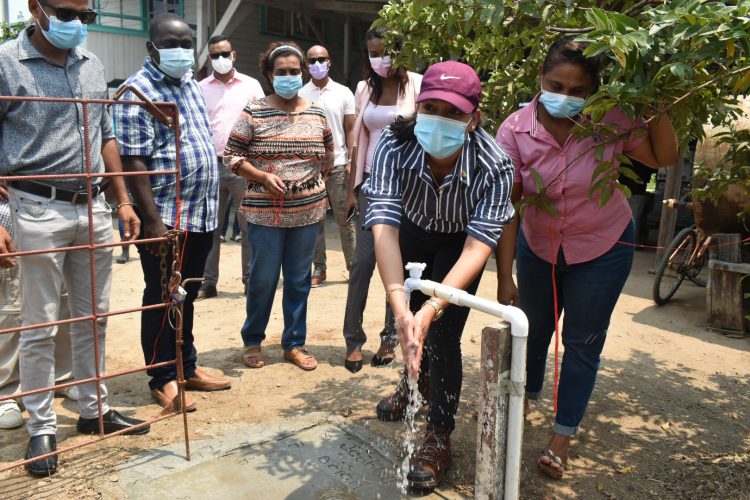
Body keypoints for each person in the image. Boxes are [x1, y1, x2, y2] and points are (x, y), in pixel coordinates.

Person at [495, 36, 679, 480]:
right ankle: (523, 404)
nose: (566, 96)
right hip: (538, 248)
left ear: (595, 89)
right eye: (557, 84)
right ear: (540, 78)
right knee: (533, 332)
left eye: (579, 90)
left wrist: (654, 104)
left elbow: (665, 155)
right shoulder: (515, 129)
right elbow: (506, 208)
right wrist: (504, 276)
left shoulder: (612, 118)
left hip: (603, 246)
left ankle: (561, 436)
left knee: (582, 343)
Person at [0, 0, 148, 477]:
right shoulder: (6, 64)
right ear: (35, 7)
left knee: (93, 318)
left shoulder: (92, 64)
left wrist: (122, 199)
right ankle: (41, 425)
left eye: (85, 15)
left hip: (93, 206)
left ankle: (94, 408)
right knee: (39, 324)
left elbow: (105, 134)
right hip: (36, 206)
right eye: (65, 10)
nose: (75, 23)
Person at [365, 61, 515, 491]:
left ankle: (439, 433)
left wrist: (434, 304)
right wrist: (400, 303)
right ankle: (412, 384)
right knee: (407, 324)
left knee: (443, 333)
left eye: (453, 113)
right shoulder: (394, 146)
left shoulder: (494, 163)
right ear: (418, 106)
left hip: (458, 243)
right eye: (432, 107)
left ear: (474, 119)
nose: (441, 120)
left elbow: (476, 248)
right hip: (408, 233)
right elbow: (386, 231)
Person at [114, 13, 231, 413]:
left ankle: (187, 366)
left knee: (189, 293)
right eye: (171, 44)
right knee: (162, 295)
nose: (181, 51)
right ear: (152, 48)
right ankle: (162, 377)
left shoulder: (189, 85)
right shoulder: (139, 91)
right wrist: (150, 219)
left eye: (186, 44)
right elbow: (134, 162)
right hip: (166, 214)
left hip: (201, 212)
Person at [224, 41, 333, 371]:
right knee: (263, 277)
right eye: (281, 72)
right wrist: (261, 176)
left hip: (307, 212)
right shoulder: (254, 111)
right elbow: (232, 156)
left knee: (299, 279)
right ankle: (253, 339)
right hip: (264, 212)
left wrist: (311, 184)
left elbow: (327, 154)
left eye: (294, 71)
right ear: (269, 75)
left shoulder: (316, 112)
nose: (289, 77)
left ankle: (294, 343)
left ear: (301, 73)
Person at [341, 28, 422, 372]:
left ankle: (389, 338)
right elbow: (358, 140)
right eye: (374, 54)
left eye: (386, 52)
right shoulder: (364, 88)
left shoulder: (417, 84)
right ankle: (352, 339)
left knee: (398, 267)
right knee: (361, 264)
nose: (380, 60)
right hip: (371, 185)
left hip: (407, 187)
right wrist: (350, 188)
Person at [0, 201, 79, 431]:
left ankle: (62, 378)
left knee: (62, 302)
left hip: (51, 221)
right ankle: (7, 390)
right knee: (11, 308)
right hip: (9, 225)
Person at [197, 35, 264, 300]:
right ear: (209, 58)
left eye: (225, 53)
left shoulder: (251, 85)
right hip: (211, 165)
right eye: (215, 55)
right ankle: (207, 282)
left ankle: (250, 280)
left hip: (243, 165)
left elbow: (263, 122)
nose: (220, 59)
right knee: (210, 227)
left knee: (248, 226)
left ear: (233, 54)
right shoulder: (200, 88)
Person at [299, 44, 356, 288]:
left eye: (321, 59)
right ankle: (319, 269)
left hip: (339, 165)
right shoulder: (301, 94)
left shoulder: (343, 92)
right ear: (306, 64)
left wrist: (352, 160)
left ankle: (354, 267)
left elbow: (351, 127)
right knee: (315, 220)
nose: (317, 64)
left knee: (346, 218)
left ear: (329, 62)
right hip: (310, 168)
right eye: (311, 60)